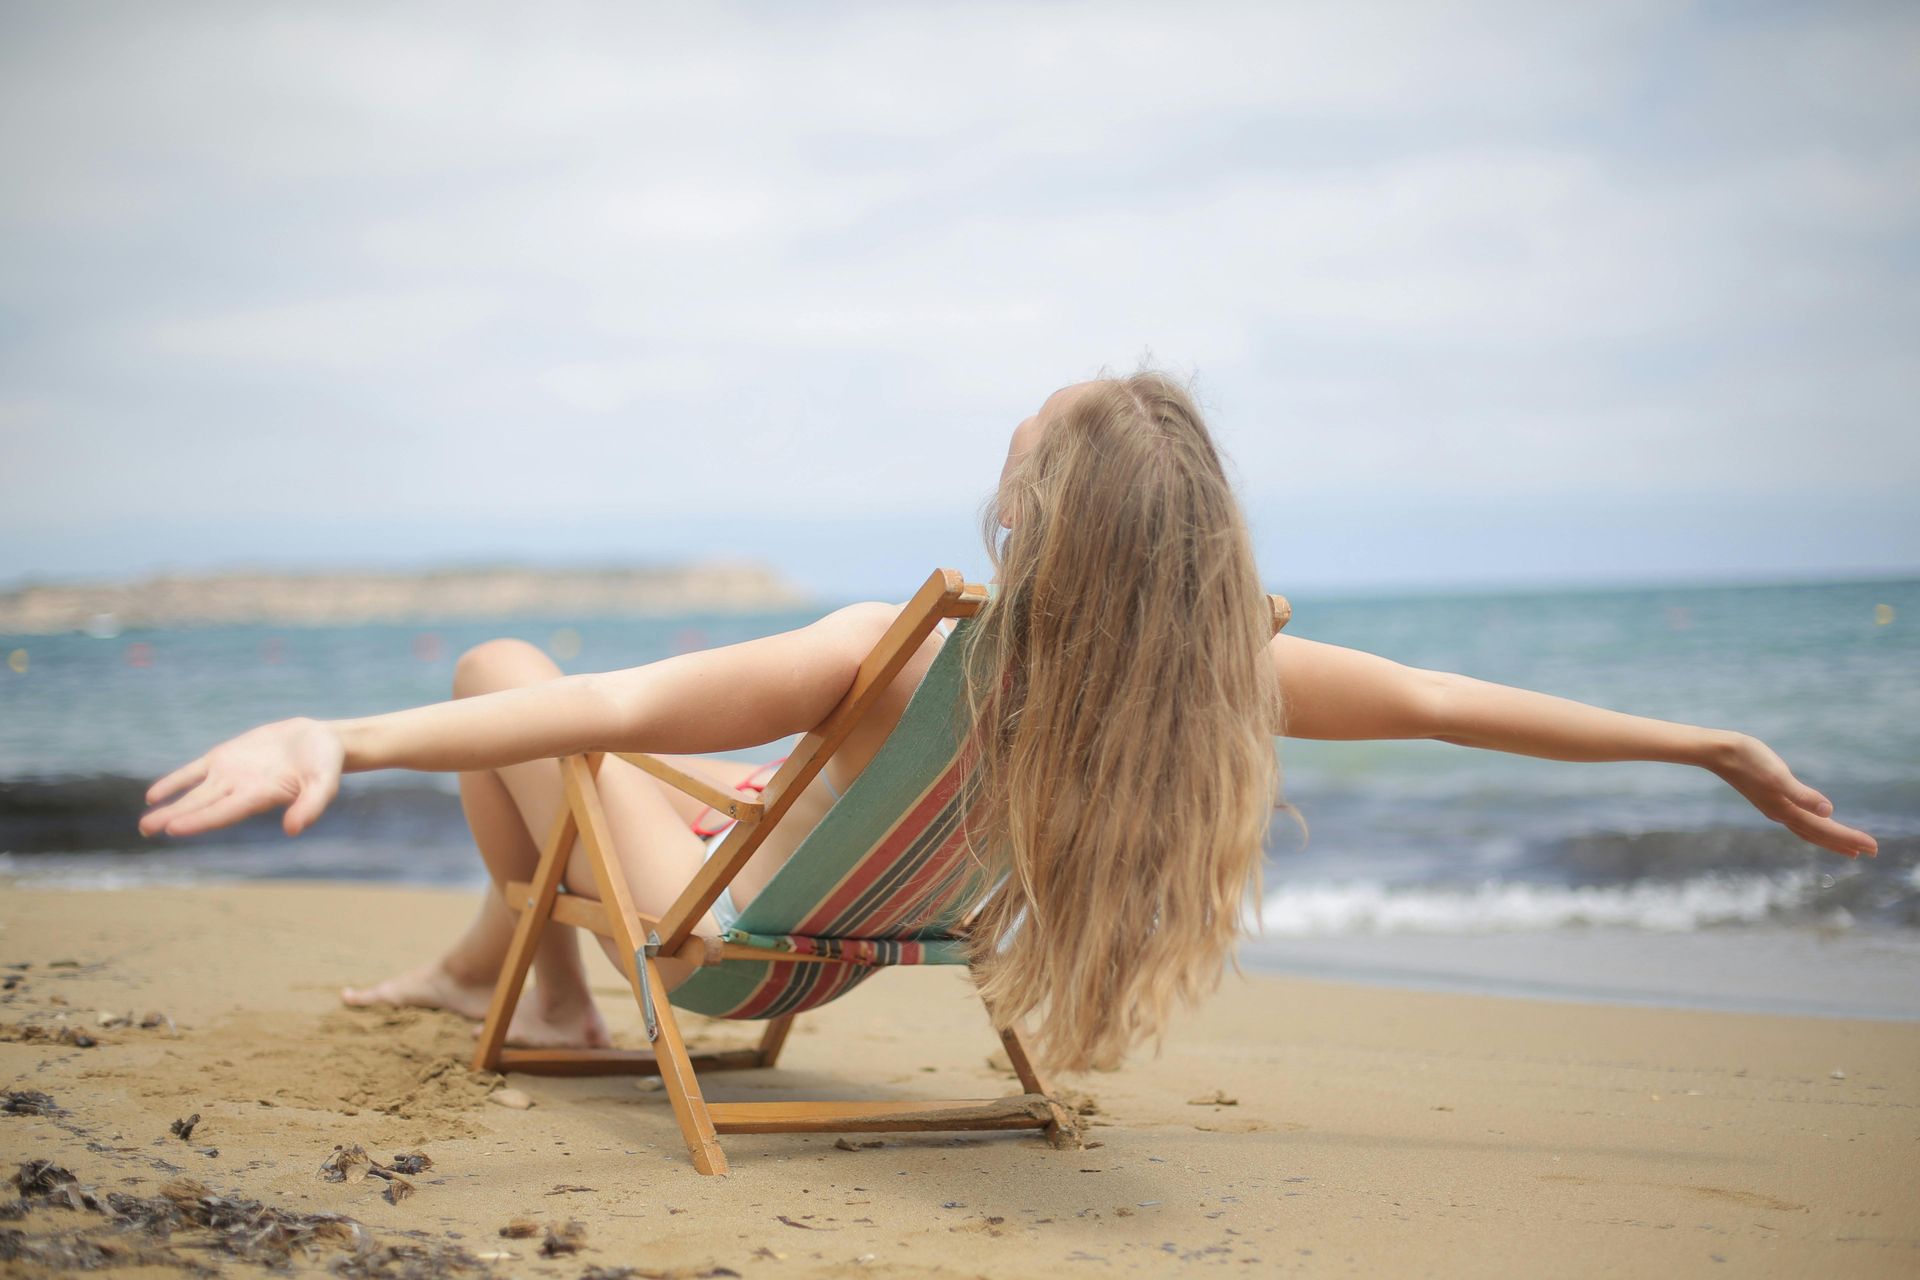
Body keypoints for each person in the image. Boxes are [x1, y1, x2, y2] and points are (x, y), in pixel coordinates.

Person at [138, 373, 1878, 1072]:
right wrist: (1703, 744)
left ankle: (556, 999)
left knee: (508, 676)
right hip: (869, 938)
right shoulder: (1211, 681)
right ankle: (483, 964)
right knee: (618, 744)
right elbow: (1444, 706)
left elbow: (605, 703)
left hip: (724, 948)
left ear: (1041, 520)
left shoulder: (893, 650)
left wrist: (338, 738)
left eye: (1025, 455)